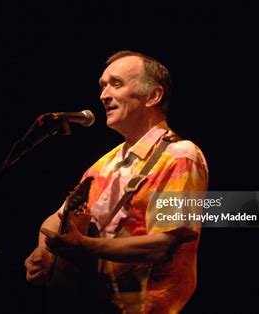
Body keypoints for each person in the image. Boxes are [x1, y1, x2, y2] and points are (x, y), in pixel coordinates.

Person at [24, 50, 208, 313]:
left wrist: (88, 246)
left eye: (116, 83)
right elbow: (57, 217)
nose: (103, 95)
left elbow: (163, 245)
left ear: (153, 96)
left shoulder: (180, 156)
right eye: (102, 86)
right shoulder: (106, 162)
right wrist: (44, 253)